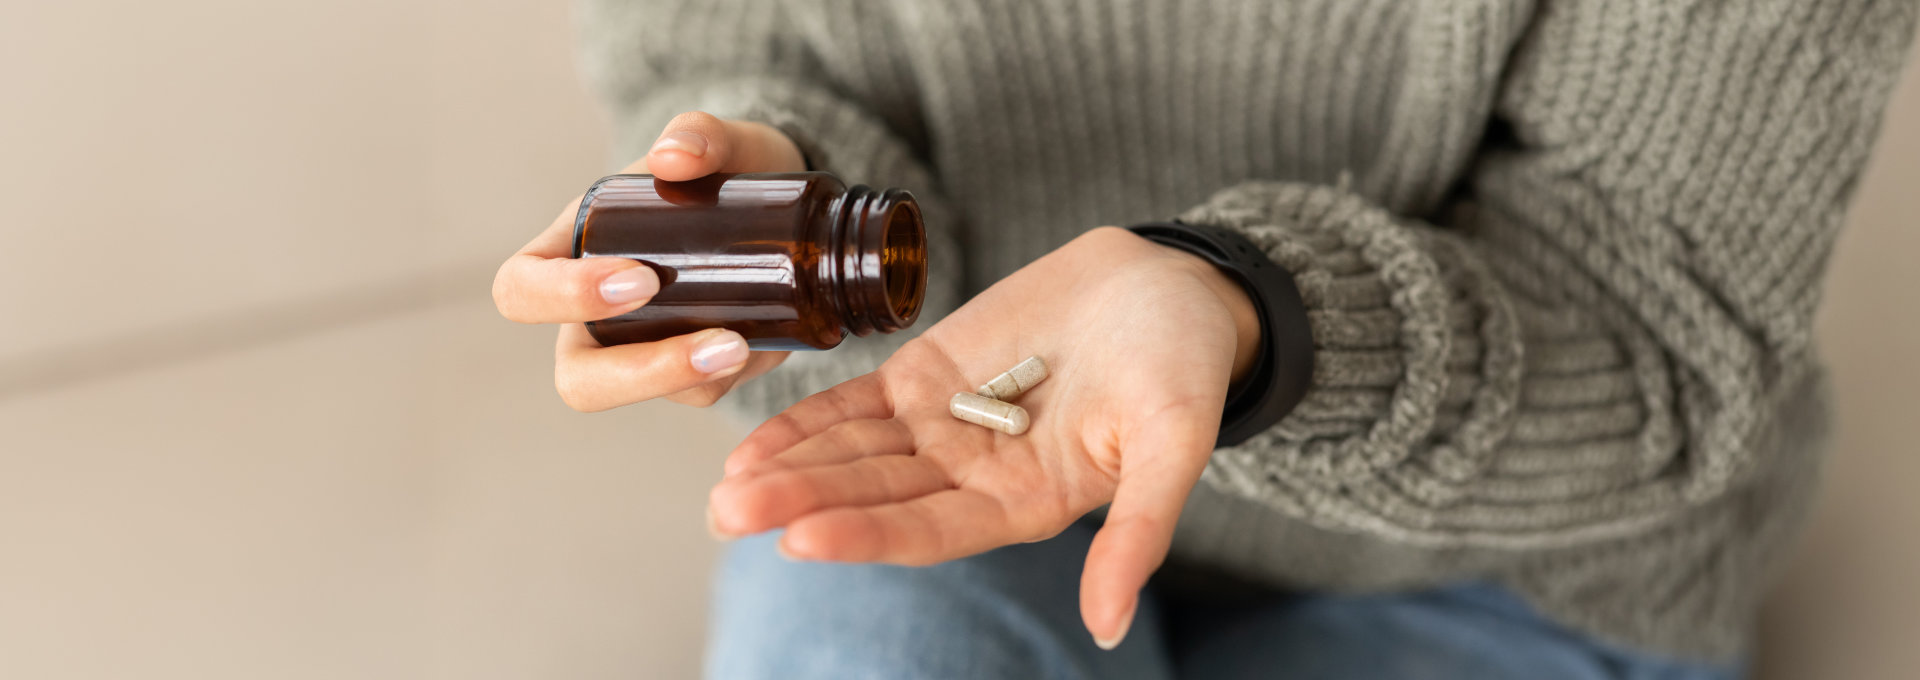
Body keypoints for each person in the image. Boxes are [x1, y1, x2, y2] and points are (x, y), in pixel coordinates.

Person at [492, 1, 1916, 677]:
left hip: (1514, 562)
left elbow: (1655, 335)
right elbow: (728, 54)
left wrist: (1252, 317)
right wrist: (766, 204)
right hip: (959, 481)